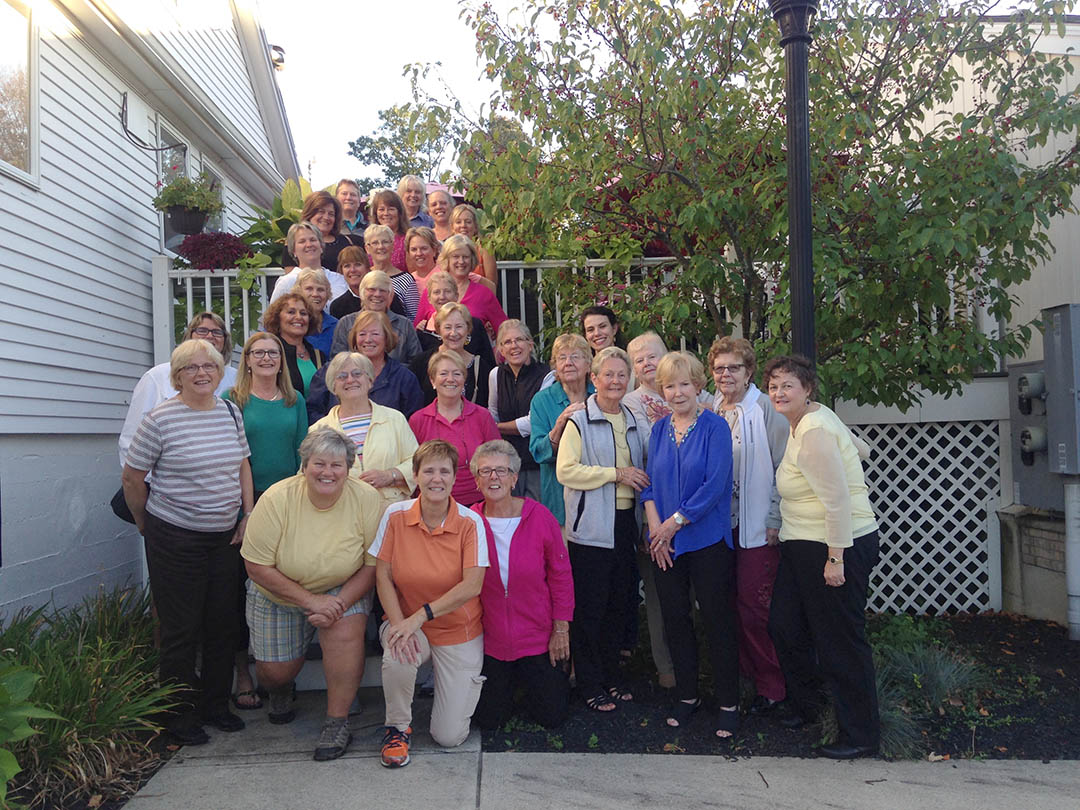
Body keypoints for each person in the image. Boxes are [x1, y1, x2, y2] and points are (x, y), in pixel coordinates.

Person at [122, 339, 253, 745]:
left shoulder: (230, 411)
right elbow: (133, 477)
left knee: (221, 624)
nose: (201, 374)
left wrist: (247, 516)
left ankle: (216, 705)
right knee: (181, 630)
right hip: (174, 537)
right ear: (177, 376)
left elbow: (242, 464)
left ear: (219, 372)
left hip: (223, 537)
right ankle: (178, 717)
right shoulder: (160, 419)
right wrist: (145, 522)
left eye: (208, 367)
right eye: (191, 368)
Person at [763, 354, 881, 760]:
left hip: (834, 545)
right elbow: (862, 449)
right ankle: (808, 705)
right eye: (774, 385)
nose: (779, 392)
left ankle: (861, 735)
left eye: (788, 385)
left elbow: (838, 501)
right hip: (801, 544)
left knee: (840, 642)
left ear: (807, 389)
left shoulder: (812, 431)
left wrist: (836, 559)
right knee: (784, 625)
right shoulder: (809, 420)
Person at [241, 428, 383, 761]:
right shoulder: (277, 498)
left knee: (347, 634)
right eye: (319, 463)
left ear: (349, 469)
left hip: (341, 586)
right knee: (275, 673)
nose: (328, 472)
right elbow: (256, 566)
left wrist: (338, 603)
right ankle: (280, 690)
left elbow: (372, 564)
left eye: (337, 465)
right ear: (304, 465)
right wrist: (311, 601)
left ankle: (337, 721)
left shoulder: (366, 498)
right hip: (278, 587)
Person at [372, 439, 489, 767]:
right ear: (416, 475)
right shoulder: (395, 515)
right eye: (429, 471)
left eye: (444, 471)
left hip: (457, 631)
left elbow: (472, 585)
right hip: (408, 622)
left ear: (454, 478)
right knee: (397, 651)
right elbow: (383, 575)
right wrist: (399, 625)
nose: (436, 479)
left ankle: (449, 696)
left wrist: (420, 616)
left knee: (449, 737)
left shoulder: (470, 522)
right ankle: (396, 727)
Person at [641, 352, 739, 739]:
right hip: (666, 546)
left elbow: (715, 485)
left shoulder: (715, 427)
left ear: (699, 386)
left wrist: (673, 523)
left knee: (717, 622)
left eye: (684, 384)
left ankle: (729, 702)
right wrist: (656, 533)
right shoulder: (658, 429)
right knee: (675, 621)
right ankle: (687, 697)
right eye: (669, 385)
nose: (677, 392)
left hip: (706, 541)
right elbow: (649, 485)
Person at [556, 346, 647, 712]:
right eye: (607, 375)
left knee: (618, 605)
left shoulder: (634, 418)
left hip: (626, 523)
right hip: (592, 528)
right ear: (593, 379)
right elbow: (566, 470)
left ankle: (612, 676)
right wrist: (615, 475)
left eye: (621, 375)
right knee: (591, 609)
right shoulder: (580, 421)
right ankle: (590, 683)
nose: (615, 381)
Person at [224, 332, 308, 710]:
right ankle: (245, 673)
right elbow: (230, 458)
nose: (266, 358)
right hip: (247, 505)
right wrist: (245, 511)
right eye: (258, 353)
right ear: (247, 360)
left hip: (288, 504)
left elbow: (301, 454)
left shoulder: (295, 400)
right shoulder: (233, 401)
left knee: (286, 578)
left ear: (281, 359)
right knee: (242, 587)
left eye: (273, 352)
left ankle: (283, 678)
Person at [709, 336, 788, 715]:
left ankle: (772, 687)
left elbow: (784, 467)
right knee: (724, 606)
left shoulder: (765, 408)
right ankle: (742, 678)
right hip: (720, 526)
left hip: (757, 525)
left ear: (749, 371)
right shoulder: (710, 408)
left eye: (734, 367)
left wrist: (774, 515)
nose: (726, 374)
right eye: (719, 368)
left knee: (754, 607)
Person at [470, 440, 573, 730]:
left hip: (537, 638)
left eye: (501, 471)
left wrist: (561, 629)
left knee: (552, 716)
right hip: (489, 641)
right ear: (477, 481)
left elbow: (561, 575)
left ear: (515, 478)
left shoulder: (540, 517)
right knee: (490, 720)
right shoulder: (469, 521)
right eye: (485, 471)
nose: (494, 478)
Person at [620, 332, 678, 690]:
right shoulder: (628, 403)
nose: (647, 363)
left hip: (693, 514)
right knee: (659, 596)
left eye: (652, 355)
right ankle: (667, 669)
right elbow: (635, 458)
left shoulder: (693, 394)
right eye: (638, 359)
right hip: (651, 512)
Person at [119, 312, 237, 467]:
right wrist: (147, 482)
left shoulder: (235, 378)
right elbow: (132, 436)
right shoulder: (157, 376)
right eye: (202, 330)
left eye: (217, 332)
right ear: (189, 336)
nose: (210, 336)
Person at [311, 351, 418, 510]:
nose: (350, 380)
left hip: (391, 515)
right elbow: (309, 475)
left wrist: (390, 475)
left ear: (370, 380)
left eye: (357, 374)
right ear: (333, 386)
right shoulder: (319, 429)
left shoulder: (395, 419)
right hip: (341, 515)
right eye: (342, 376)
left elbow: (417, 462)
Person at [408, 352, 500, 507]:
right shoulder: (418, 420)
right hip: (431, 504)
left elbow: (497, 460)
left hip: (477, 504)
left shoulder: (482, 416)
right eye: (443, 373)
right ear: (432, 381)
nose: (450, 379)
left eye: (457, 374)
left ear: (464, 380)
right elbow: (411, 467)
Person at [528, 334, 594, 525]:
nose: (568, 363)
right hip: (559, 496)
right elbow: (538, 452)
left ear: (588, 364)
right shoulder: (542, 400)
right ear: (555, 366)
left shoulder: (600, 396)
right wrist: (560, 424)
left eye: (575, 356)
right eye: (562, 358)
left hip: (597, 495)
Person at [310, 312, 424, 422]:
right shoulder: (331, 371)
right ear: (354, 338)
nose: (368, 339)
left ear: (387, 337)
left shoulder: (404, 378)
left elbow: (413, 420)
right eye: (362, 334)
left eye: (375, 334)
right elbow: (313, 411)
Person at [487, 320, 550, 501]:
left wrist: (496, 427)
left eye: (519, 340)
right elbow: (492, 411)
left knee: (535, 515)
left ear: (530, 344)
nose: (514, 346)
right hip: (506, 463)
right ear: (500, 349)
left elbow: (534, 423)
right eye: (507, 342)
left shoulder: (546, 375)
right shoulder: (495, 375)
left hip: (536, 463)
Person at [415, 235, 507, 344]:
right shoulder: (433, 292)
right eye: (456, 256)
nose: (461, 261)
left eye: (465, 257)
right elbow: (415, 330)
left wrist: (498, 353)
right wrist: (420, 327)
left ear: (472, 259)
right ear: (447, 260)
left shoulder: (484, 294)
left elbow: (504, 330)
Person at [411, 302, 495, 407]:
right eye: (447, 327)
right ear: (438, 330)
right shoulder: (421, 363)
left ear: (468, 329)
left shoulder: (482, 368)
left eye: (459, 327)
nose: (453, 333)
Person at [330, 270, 422, 364]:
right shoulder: (346, 323)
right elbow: (337, 362)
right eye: (371, 289)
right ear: (362, 293)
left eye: (382, 290)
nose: (377, 294)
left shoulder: (404, 325)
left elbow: (416, 364)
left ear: (390, 295)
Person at [415, 270, 492, 359]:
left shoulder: (474, 325)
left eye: (447, 291)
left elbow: (487, 362)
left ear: (456, 296)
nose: (442, 297)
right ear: (429, 299)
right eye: (436, 292)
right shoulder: (422, 331)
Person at [270, 222, 349, 304]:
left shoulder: (339, 280)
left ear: (321, 247)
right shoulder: (286, 282)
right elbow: (273, 315)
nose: (309, 244)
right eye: (302, 241)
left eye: (313, 240)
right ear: (294, 251)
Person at [262, 292, 323, 397]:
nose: (298, 317)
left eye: (303, 313)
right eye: (291, 312)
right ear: (277, 318)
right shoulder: (270, 355)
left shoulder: (318, 355)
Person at [281, 191, 358, 274]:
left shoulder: (346, 241)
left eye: (331, 214)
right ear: (310, 213)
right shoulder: (296, 241)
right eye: (321, 212)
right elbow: (292, 278)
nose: (326, 217)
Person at [364, 223, 420, 322]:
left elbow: (414, 318)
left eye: (385, 242)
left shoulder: (406, 280)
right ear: (367, 248)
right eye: (375, 243)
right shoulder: (364, 277)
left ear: (393, 246)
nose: (381, 246)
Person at [449, 203, 497, 287]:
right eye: (458, 222)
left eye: (468, 222)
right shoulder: (447, 249)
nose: (463, 225)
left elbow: (492, 284)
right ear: (452, 227)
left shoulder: (484, 249)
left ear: (475, 226)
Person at [296, 268, 338, 357]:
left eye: (320, 290)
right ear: (298, 292)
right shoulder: (290, 323)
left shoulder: (337, 326)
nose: (315, 294)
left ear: (327, 294)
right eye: (309, 289)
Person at [368, 189, 409, 274]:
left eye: (391, 209)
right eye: (381, 209)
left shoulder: (407, 240)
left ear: (399, 212)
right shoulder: (370, 240)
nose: (386, 213)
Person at [328, 245, 371, 319]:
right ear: (341, 271)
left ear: (367, 268)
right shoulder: (337, 306)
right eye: (347, 266)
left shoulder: (382, 297)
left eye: (358, 264)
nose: (352, 270)